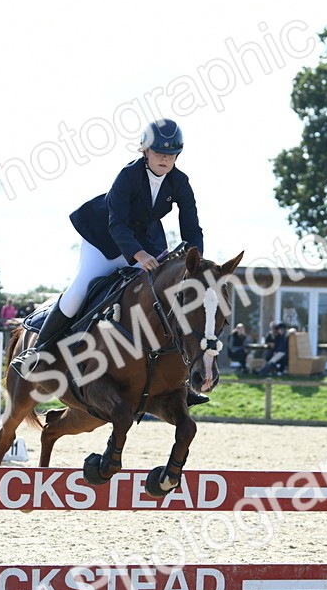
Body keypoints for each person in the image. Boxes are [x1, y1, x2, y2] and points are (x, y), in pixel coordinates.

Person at [11, 119, 206, 404]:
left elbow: (191, 227)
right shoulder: (128, 176)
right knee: (78, 292)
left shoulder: (180, 182)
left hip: (146, 242)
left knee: (165, 298)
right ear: (145, 151)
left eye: (171, 154)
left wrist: (197, 263)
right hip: (104, 239)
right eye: (158, 152)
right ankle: (38, 352)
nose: (165, 159)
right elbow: (117, 224)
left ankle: (180, 380)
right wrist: (139, 255)